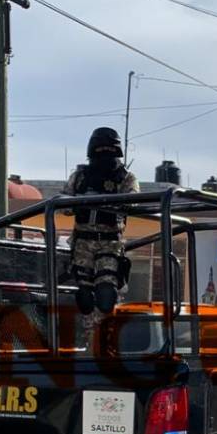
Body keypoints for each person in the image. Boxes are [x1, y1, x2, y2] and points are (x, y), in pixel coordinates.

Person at [62, 127, 139, 315]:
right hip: (82, 243)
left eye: (109, 151)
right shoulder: (80, 177)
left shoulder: (125, 177)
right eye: (101, 150)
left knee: (106, 296)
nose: (104, 155)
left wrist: (109, 203)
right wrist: (80, 202)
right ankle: (89, 332)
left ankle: (104, 330)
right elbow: (63, 203)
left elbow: (134, 202)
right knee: (85, 299)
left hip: (109, 243)